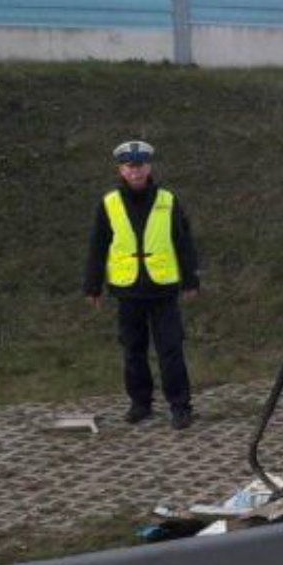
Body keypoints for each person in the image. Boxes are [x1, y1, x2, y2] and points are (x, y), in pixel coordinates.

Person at [83, 140, 201, 430]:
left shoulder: (168, 200)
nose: (135, 172)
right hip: (128, 290)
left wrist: (190, 279)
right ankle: (141, 403)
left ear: (149, 167)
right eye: (129, 167)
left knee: (170, 349)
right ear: (121, 169)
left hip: (163, 288)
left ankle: (180, 406)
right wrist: (93, 284)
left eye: (140, 166)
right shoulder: (109, 203)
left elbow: (183, 242)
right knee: (133, 350)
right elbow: (98, 245)